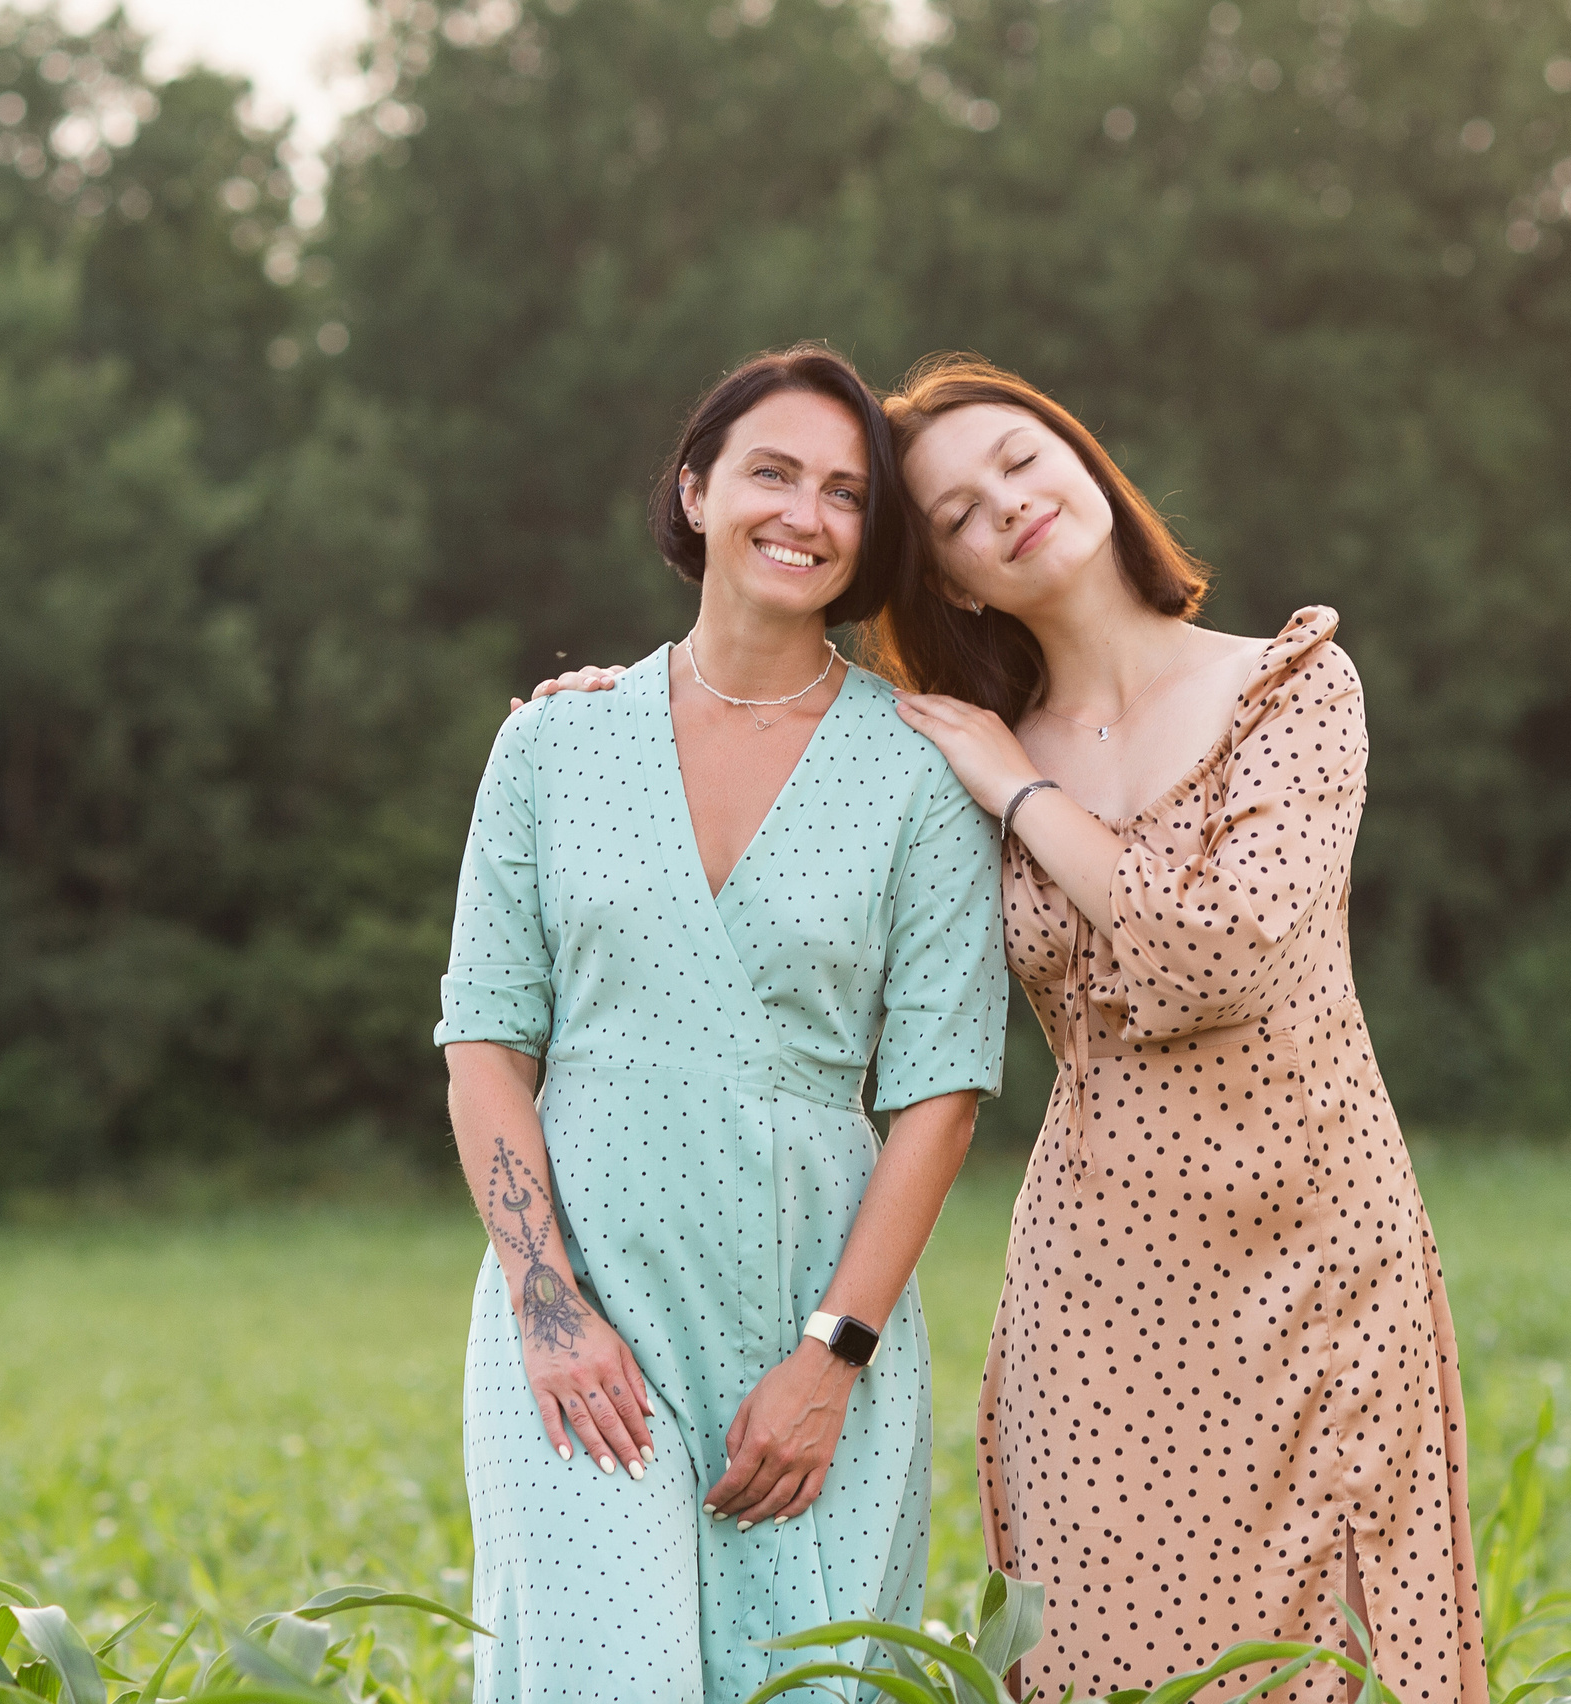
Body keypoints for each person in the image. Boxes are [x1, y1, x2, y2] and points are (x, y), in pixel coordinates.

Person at [519, 352, 1485, 1704]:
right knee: (1098, 1657)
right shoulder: (947, 748)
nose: (1004, 508)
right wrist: (601, 722)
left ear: (1084, 461)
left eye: (1020, 462)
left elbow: (1225, 952)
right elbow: (779, 775)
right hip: (1089, 1280)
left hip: (1313, 1248)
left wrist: (1022, 793)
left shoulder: (1290, 686)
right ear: (951, 579)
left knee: (1334, 1657)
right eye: (958, 516)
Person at [438, 343, 1009, 1704]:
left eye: (845, 493)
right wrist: (546, 1299)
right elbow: (484, 1044)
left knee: (793, 1684)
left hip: (807, 1323)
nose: (803, 514)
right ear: (696, 490)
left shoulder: (918, 769)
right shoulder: (552, 746)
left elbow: (938, 1096)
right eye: (771, 473)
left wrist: (833, 1358)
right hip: (578, 1325)